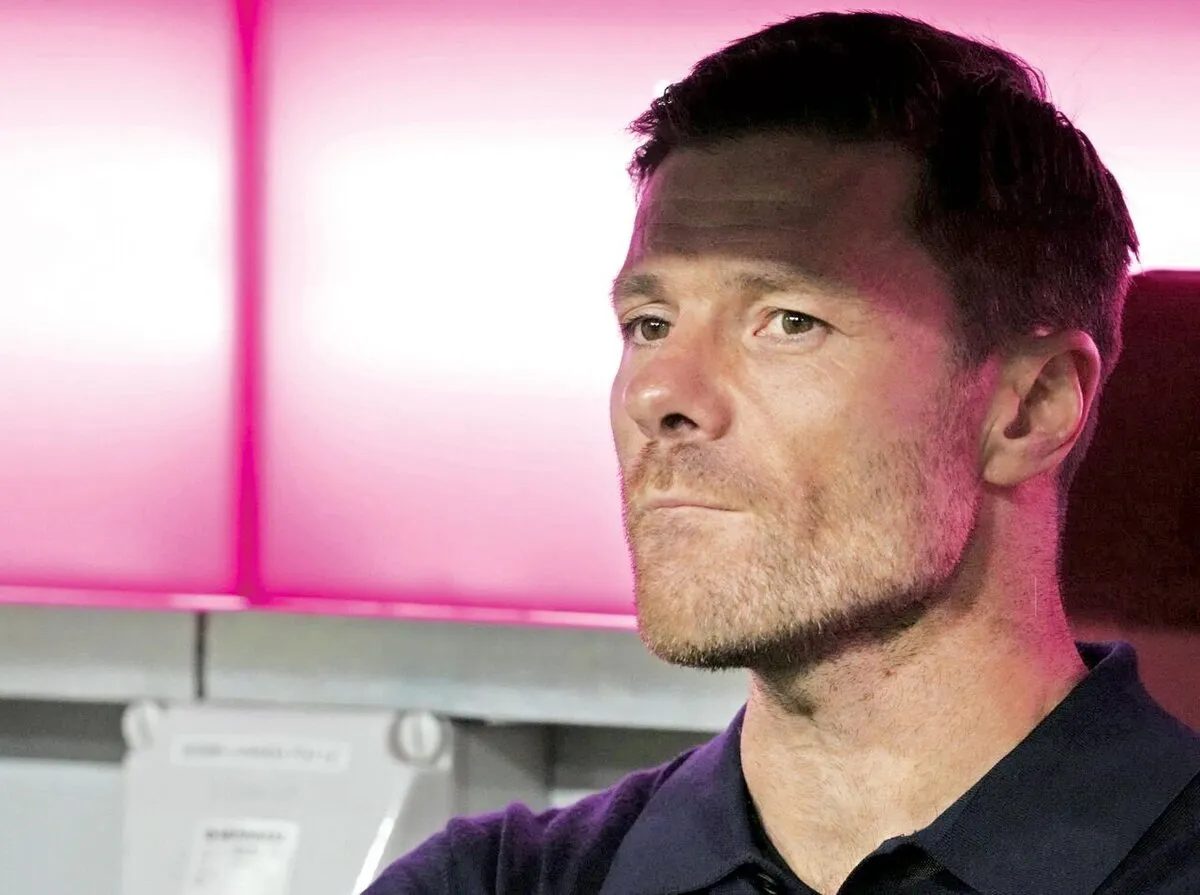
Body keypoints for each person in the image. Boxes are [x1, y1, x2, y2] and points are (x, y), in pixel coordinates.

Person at [366, 10, 1200, 894]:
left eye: (789, 321)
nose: (659, 394)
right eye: (650, 323)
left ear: (1030, 407)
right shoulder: (492, 882)